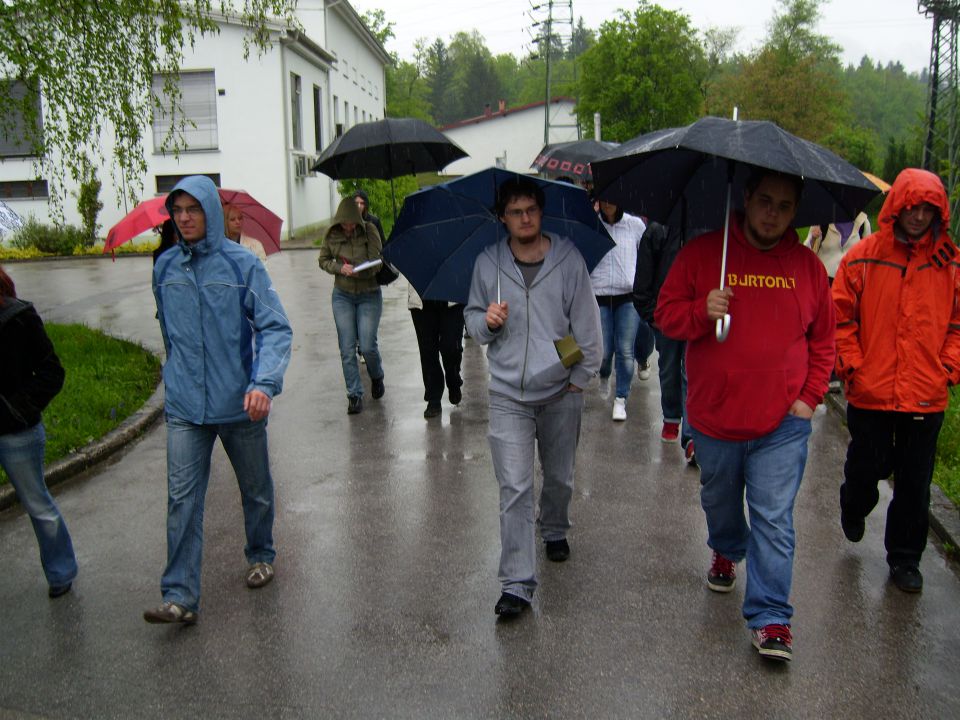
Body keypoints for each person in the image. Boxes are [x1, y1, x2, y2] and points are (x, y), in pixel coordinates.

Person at [655, 168, 835, 662]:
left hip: (783, 423)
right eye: (765, 202)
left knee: (774, 518)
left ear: (795, 212)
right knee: (720, 504)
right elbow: (665, 316)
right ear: (746, 199)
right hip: (715, 420)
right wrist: (700, 311)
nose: (772, 214)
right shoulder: (703, 255)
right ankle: (726, 546)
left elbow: (824, 341)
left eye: (784, 206)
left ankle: (771, 617)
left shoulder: (808, 268)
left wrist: (809, 399)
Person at [145, 175, 292, 624]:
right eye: (178, 211)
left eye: (194, 209)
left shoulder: (242, 266)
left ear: (210, 211)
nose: (185, 218)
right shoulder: (165, 268)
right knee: (182, 499)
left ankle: (261, 553)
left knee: (256, 489)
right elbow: (169, 333)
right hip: (187, 407)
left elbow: (275, 327)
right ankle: (180, 596)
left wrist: (263, 383)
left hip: (240, 404)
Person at [464, 177, 602, 618]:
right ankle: (517, 584)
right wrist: (487, 321)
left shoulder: (568, 260)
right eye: (515, 211)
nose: (524, 218)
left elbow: (584, 325)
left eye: (531, 210)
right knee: (515, 487)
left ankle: (556, 526)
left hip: (561, 389)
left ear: (541, 214)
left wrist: (579, 376)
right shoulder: (488, 263)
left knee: (559, 477)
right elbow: (471, 323)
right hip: (507, 393)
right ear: (502, 218)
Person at [833, 167, 960, 594]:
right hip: (870, 389)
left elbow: (958, 325)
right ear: (897, 207)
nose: (919, 217)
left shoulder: (950, 263)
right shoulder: (863, 256)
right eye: (912, 207)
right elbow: (840, 318)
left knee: (914, 482)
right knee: (866, 466)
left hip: (925, 395)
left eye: (928, 209)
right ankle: (855, 502)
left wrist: (948, 366)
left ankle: (905, 558)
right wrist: (851, 364)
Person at [0, 265, 76, 598]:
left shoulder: (19, 318)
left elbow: (51, 372)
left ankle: (61, 572)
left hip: (17, 431)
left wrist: (17, 409)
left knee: (36, 503)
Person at [318, 197, 386, 414]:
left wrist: (359, 268)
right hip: (342, 295)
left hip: (369, 293)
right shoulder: (332, 234)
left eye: (351, 223)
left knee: (367, 346)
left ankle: (377, 376)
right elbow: (323, 260)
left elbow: (378, 261)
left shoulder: (370, 230)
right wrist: (339, 268)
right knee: (347, 348)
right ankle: (354, 394)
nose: (348, 227)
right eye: (344, 223)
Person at [633, 218, 693, 457]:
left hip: (697, 314)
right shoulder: (657, 230)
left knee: (691, 372)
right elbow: (644, 277)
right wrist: (650, 313)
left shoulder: (709, 228)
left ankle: (691, 437)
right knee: (668, 368)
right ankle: (671, 416)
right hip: (665, 315)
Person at [590, 199, 645, 421]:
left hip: (628, 297)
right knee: (603, 351)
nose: (607, 204)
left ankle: (621, 398)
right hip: (600, 294)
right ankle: (604, 374)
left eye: (612, 199)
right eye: (603, 200)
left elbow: (646, 255)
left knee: (625, 350)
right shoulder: (592, 225)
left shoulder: (635, 225)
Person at [805, 211, 871, 391]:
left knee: (848, 325)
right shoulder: (823, 221)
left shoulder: (863, 222)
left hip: (852, 282)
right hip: (826, 279)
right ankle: (830, 372)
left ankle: (846, 368)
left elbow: (869, 252)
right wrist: (813, 237)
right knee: (829, 324)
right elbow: (808, 249)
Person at [408, 285, 464, 418]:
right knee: (428, 351)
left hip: (453, 297)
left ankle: (453, 380)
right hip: (421, 298)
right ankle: (434, 398)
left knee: (451, 347)